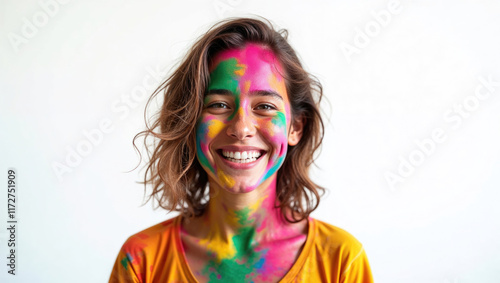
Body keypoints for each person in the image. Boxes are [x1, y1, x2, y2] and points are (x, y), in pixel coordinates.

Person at [109, 17, 374, 283]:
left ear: (295, 127)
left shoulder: (341, 261)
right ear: (189, 122)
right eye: (219, 105)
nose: (241, 128)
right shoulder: (142, 261)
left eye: (265, 106)